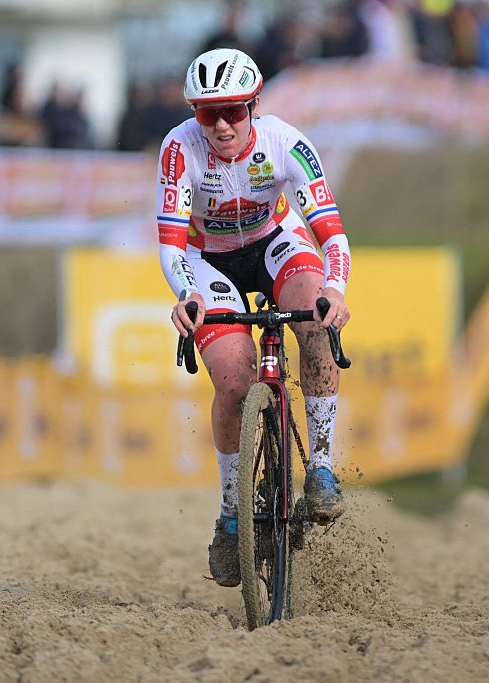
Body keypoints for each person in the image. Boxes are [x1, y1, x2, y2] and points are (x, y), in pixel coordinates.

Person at [157, 48, 352, 588]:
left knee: (314, 317)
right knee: (233, 380)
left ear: (255, 106)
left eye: (234, 111)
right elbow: (172, 243)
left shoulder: (286, 142)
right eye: (206, 113)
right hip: (207, 257)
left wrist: (334, 292)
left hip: (274, 242)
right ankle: (230, 516)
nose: (220, 125)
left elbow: (331, 234)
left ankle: (320, 469)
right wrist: (187, 295)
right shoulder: (179, 148)